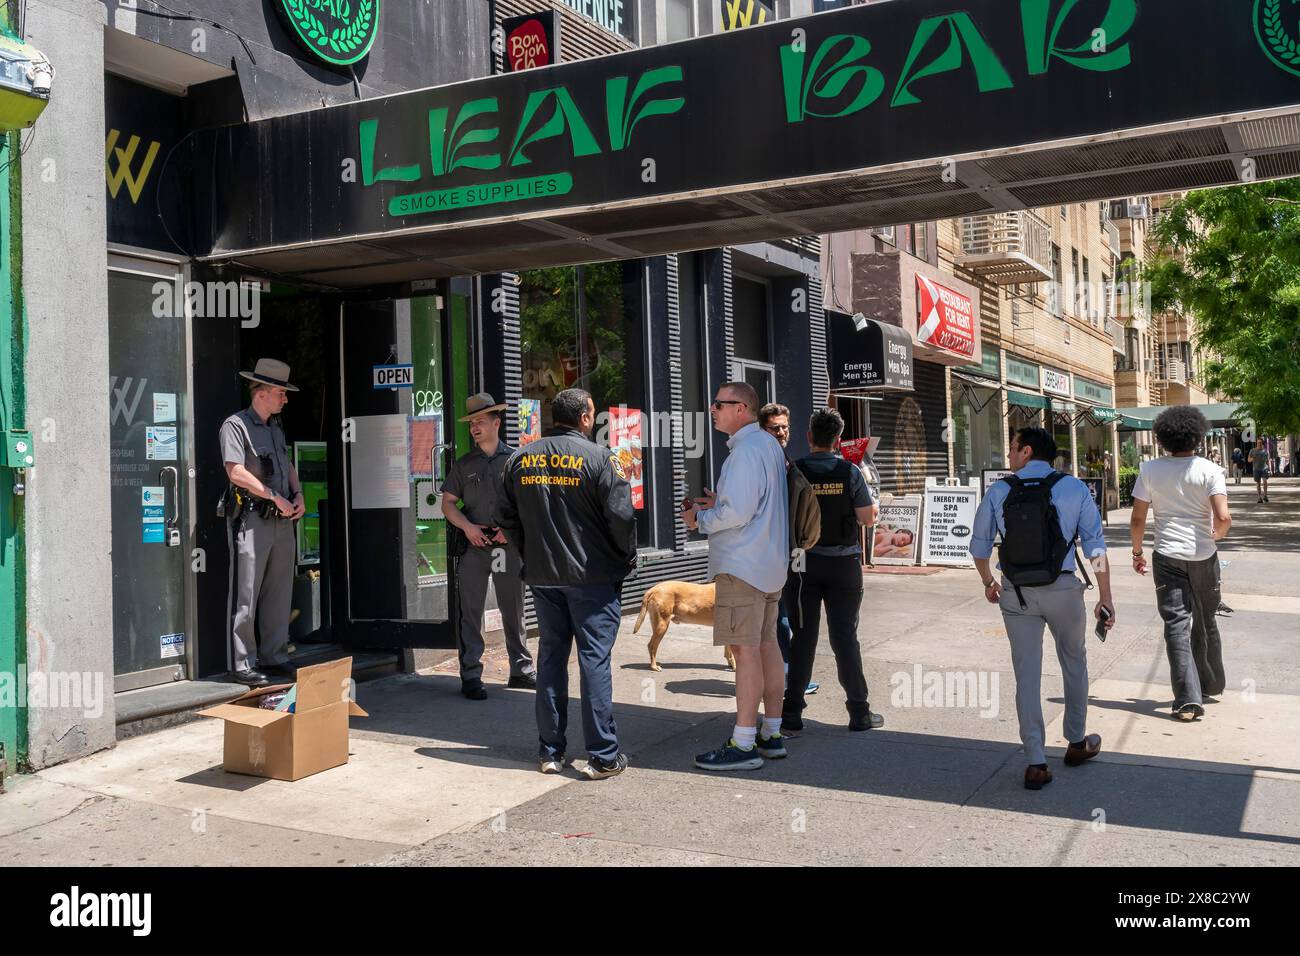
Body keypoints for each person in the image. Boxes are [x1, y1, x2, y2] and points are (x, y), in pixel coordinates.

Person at [497, 388, 636, 779]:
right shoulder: (602, 459)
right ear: (586, 418)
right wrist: (623, 558)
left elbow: (504, 515)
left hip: (544, 577)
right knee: (593, 661)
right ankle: (603, 756)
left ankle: (550, 751)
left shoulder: (520, 460)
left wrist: (529, 554)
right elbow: (621, 518)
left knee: (551, 659)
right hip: (592, 578)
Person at [970, 427, 1114, 791]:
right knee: (1074, 661)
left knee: (1027, 673)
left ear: (1027, 450)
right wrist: (1105, 596)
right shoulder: (1074, 488)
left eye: (1014, 448)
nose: (1010, 455)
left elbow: (980, 547)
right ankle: (1077, 742)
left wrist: (989, 581)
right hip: (1064, 590)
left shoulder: (999, 490)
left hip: (1017, 594)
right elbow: (1095, 548)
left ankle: (1035, 761)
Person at [682, 382, 789, 770]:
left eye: (719, 404)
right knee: (767, 647)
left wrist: (700, 518)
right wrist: (720, 504)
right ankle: (771, 732)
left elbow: (737, 513)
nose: (712, 410)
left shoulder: (744, 451)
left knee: (745, 652)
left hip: (743, 566)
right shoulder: (769, 446)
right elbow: (756, 503)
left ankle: (743, 744)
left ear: (741, 408)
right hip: (770, 564)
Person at [782, 408, 881, 734]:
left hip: (802, 563)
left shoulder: (794, 470)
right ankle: (859, 712)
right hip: (844, 564)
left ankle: (792, 713)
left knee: (802, 638)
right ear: (838, 440)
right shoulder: (850, 472)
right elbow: (867, 518)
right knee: (844, 637)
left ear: (809, 437)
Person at [1130, 407, 1231, 721]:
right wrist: (1214, 535)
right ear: (1198, 436)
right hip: (1204, 554)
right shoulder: (1210, 470)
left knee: (1176, 624)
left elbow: (1137, 518)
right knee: (1206, 616)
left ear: (1162, 438)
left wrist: (1137, 553)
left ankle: (1187, 699)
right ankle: (1211, 683)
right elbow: (1224, 517)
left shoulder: (1149, 470)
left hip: (1167, 555)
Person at [442, 393, 536, 700]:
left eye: (480, 421)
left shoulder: (516, 460)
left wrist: (508, 533)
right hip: (474, 547)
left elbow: (529, 504)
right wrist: (468, 527)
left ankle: (521, 671)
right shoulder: (464, 464)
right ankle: (471, 674)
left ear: (496, 422)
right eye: (471, 423)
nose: (474, 428)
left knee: (514, 609)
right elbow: (448, 504)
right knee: (471, 612)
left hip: (507, 547)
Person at [220, 358, 306, 687]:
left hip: (283, 521)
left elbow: (288, 465)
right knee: (246, 593)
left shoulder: (275, 427)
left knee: (279, 592)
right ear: (261, 393)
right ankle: (241, 664)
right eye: (281, 393)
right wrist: (274, 496)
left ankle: (275, 656)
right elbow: (235, 471)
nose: (285, 399)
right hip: (253, 518)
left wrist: (297, 495)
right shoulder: (235, 425)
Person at [758, 401, 818, 697]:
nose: (781, 432)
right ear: (763, 429)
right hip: (772, 551)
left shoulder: (785, 460)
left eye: (784, 427)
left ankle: (791, 672)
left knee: (792, 609)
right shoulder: (763, 461)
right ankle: (789, 673)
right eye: (774, 427)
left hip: (793, 551)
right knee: (781, 612)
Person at [1248, 438, 1271, 503]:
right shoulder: (1252, 451)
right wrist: (1253, 458)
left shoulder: (1265, 451)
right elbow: (1248, 460)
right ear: (1256, 443)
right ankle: (1259, 497)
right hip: (1256, 469)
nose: (1259, 444)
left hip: (1264, 469)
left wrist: (1269, 469)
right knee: (1258, 483)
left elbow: (1267, 461)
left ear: (1262, 443)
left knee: (1265, 481)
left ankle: (1265, 495)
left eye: (1260, 443)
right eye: (1258, 443)